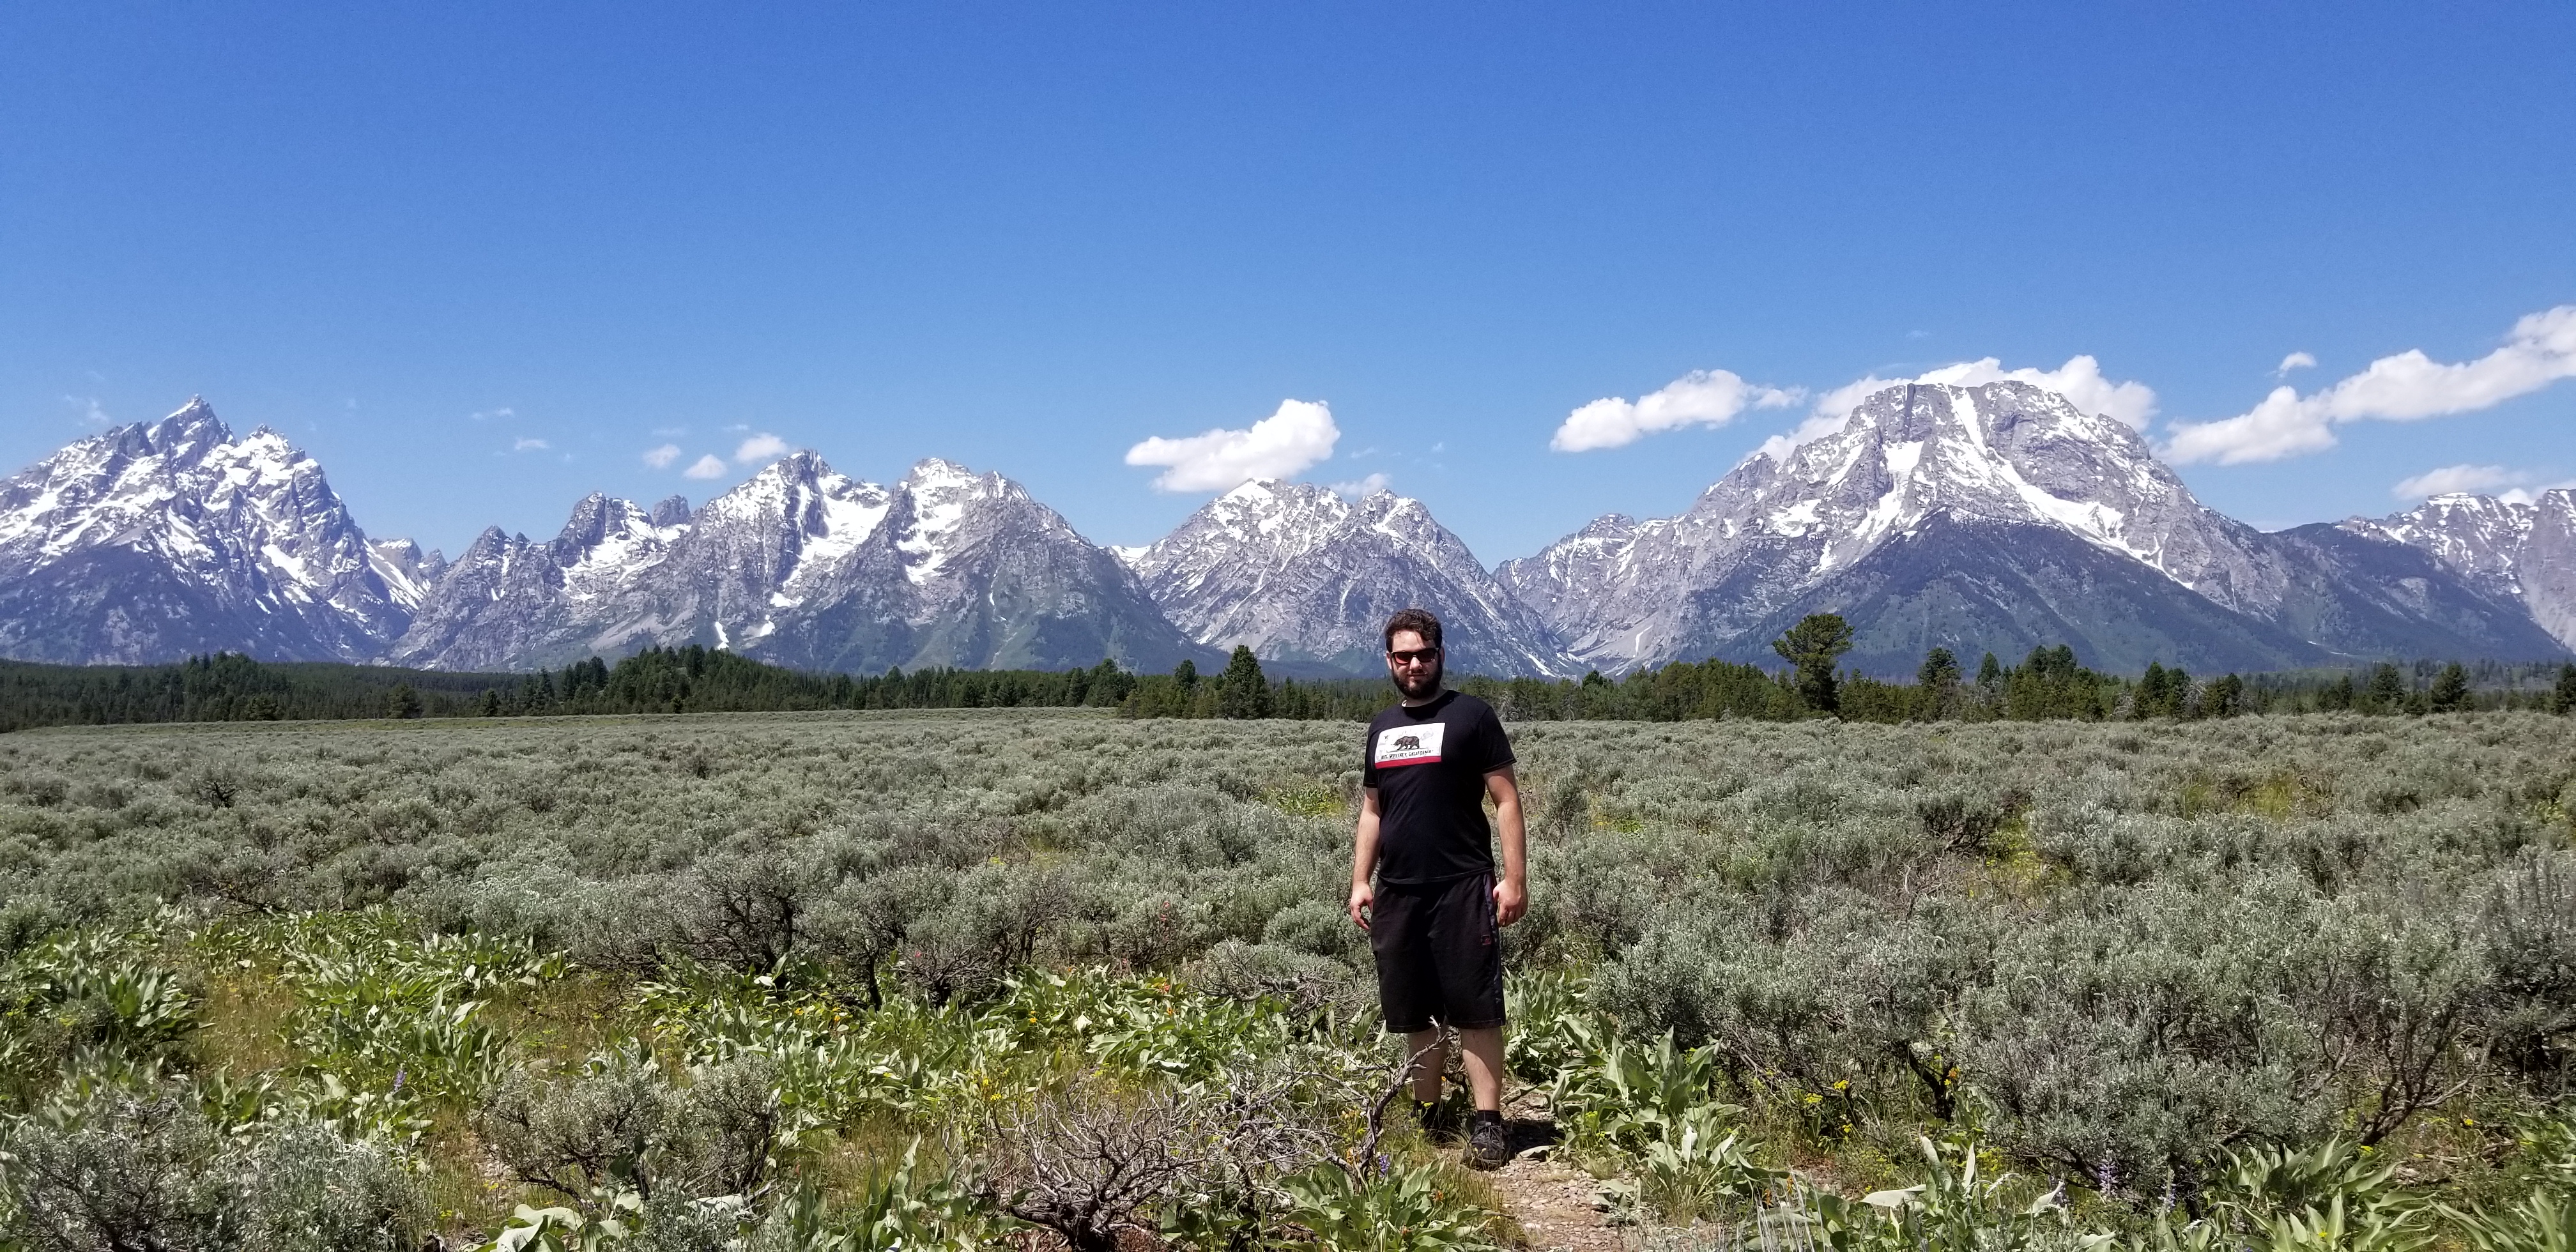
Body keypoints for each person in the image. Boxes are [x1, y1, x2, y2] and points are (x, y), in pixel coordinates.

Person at [1347, 607, 1527, 1170]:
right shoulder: (1382, 727)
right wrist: (1360, 880)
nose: (1415, 664)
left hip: (1462, 885)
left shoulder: (1472, 716)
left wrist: (1514, 878)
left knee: (1476, 1008)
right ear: (1390, 661)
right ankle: (1429, 1116)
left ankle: (1488, 1123)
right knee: (1415, 1010)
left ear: (1440, 655)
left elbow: (1506, 800)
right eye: (1404, 656)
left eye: (1425, 654)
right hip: (1398, 890)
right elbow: (1373, 811)